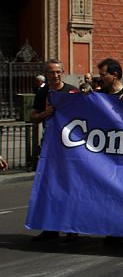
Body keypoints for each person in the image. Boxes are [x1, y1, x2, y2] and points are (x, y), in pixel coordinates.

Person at [30, 59, 79, 242]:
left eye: (58, 71)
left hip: (70, 149)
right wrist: (44, 114)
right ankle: (50, 229)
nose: (55, 75)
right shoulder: (42, 93)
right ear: (46, 73)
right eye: (51, 72)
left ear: (63, 72)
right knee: (49, 188)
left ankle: (71, 229)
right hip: (50, 148)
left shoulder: (72, 91)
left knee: (70, 187)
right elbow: (32, 116)